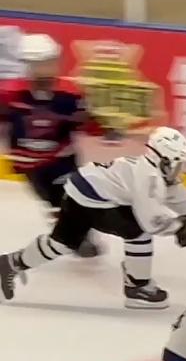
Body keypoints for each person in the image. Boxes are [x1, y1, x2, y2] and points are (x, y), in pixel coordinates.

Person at [0, 126, 186, 309]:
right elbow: (151, 220)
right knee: (138, 232)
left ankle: (10, 263)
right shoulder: (149, 177)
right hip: (94, 200)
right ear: (163, 160)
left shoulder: (156, 172)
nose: (180, 170)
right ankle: (137, 287)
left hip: (80, 190)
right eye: (176, 164)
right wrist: (179, 228)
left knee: (61, 243)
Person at [0, 33, 109, 257]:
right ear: (27, 65)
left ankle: (78, 235)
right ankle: (71, 235)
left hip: (63, 160)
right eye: (39, 64)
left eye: (49, 62)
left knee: (73, 196)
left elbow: (87, 123)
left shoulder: (69, 94)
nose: (45, 69)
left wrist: (102, 126)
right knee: (53, 201)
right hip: (30, 166)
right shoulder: (9, 94)